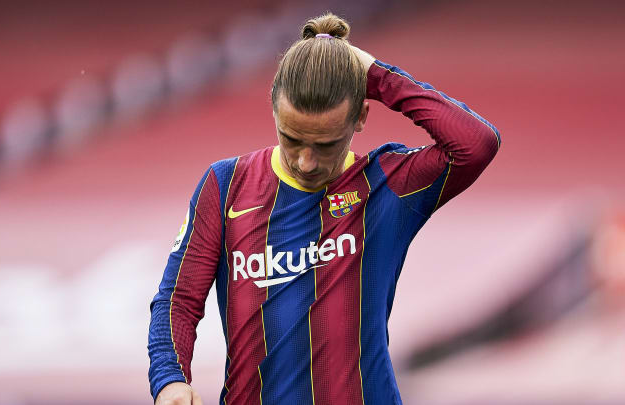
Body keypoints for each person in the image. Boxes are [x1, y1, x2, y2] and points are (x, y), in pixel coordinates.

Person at [148, 12, 500, 405]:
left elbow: (476, 143)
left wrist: (377, 76)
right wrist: (170, 379)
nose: (306, 161)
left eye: (326, 145)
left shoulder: (387, 185)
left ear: (362, 117)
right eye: (292, 138)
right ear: (274, 109)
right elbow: (178, 299)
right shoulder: (225, 185)